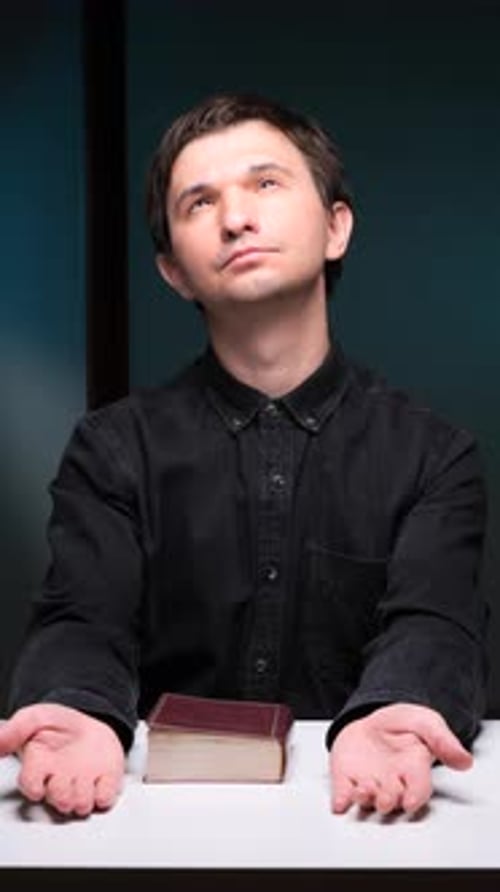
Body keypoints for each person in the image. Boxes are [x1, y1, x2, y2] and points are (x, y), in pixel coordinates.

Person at [0, 93, 488, 819]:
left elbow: (433, 620)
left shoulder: (434, 454)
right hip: (152, 825)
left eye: (265, 184)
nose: (234, 218)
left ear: (335, 227)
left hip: (358, 822)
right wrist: (74, 709)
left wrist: (400, 709)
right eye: (198, 203)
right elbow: (82, 618)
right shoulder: (111, 451)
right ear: (174, 271)